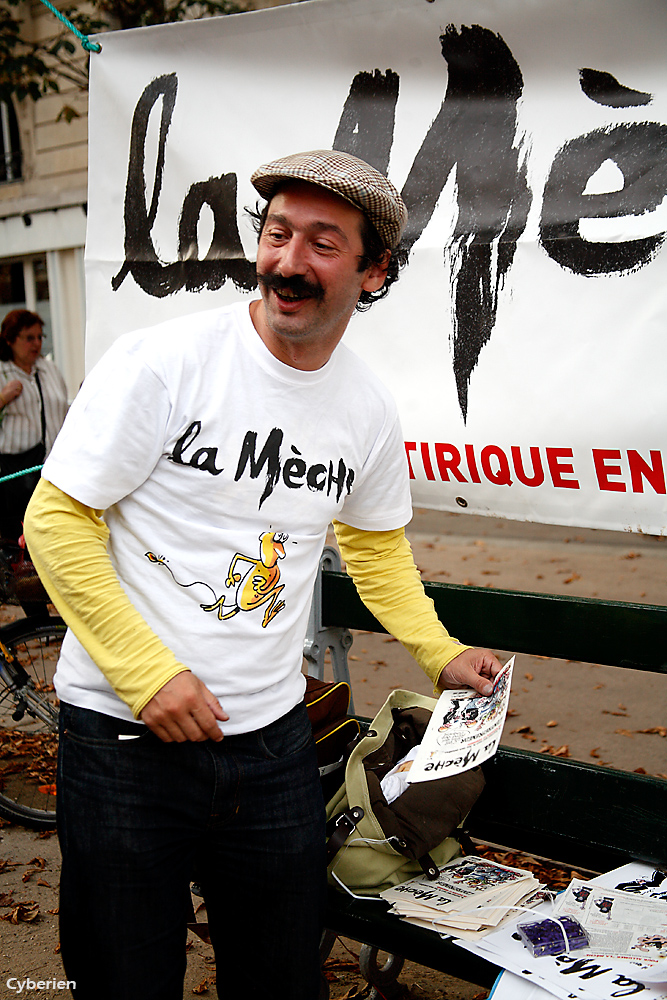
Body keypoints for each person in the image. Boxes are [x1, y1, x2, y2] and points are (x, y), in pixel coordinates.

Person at [24, 149, 502, 1000]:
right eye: (278, 234)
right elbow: (56, 521)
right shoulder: (164, 361)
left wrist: (437, 651)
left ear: (374, 269)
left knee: (279, 977)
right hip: (126, 738)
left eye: (323, 243)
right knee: (124, 977)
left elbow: (376, 546)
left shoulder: (364, 406)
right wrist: (147, 675)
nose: (288, 262)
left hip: (273, 747)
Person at [0, 309, 67, 543]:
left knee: (50, 532)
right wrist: (3, 398)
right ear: (10, 340)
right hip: (15, 473)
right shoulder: (2, 371)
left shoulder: (49, 368)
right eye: (29, 338)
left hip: (52, 467)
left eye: (40, 337)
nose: (37, 343)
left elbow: (62, 409)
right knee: (18, 538)